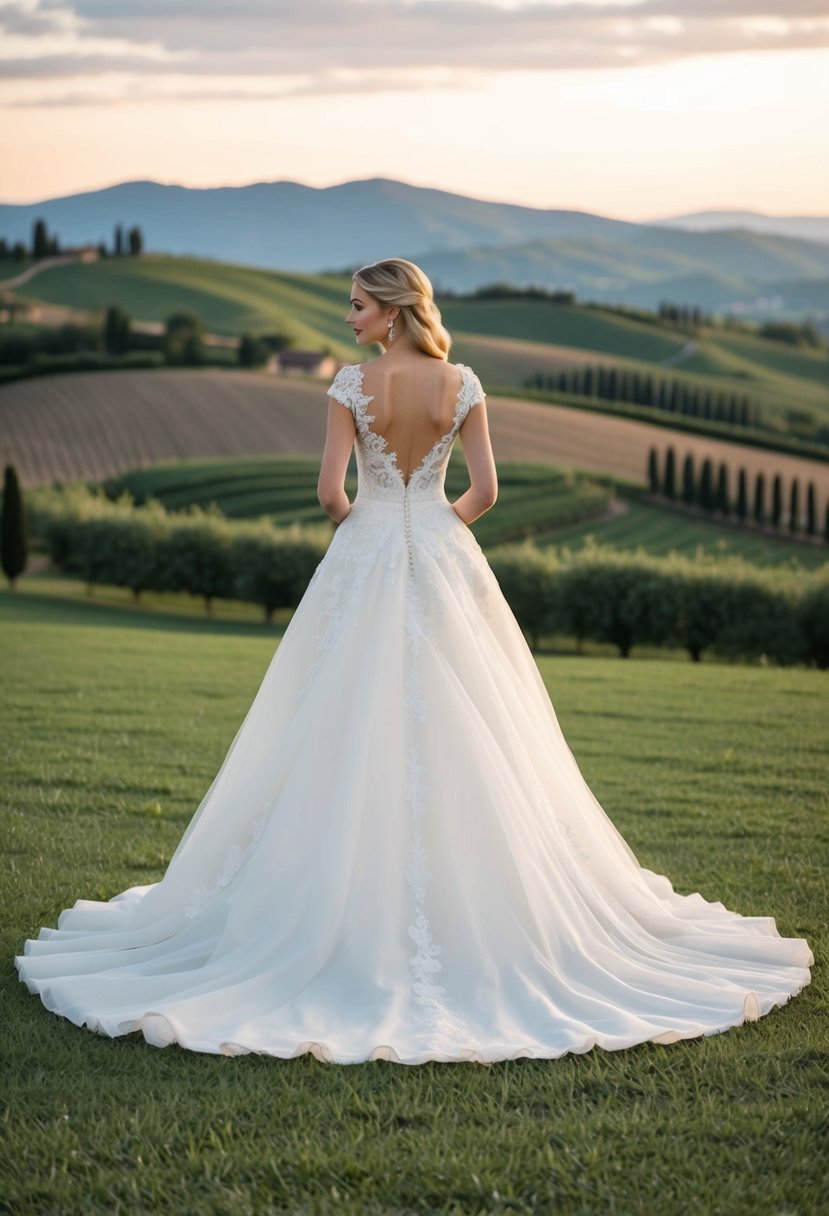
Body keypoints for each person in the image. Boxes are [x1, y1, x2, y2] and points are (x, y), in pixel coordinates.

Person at [15, 258, 813, 1065]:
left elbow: (331, 493)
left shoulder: (350, 387)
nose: (350, 318)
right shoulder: (461, 384)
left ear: (392, 312)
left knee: (336, 711)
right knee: (468, 714)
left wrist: (369, 522)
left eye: (358, 306)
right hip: (440, 549)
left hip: (366, 552)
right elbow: (488, 489)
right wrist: (437, 525)